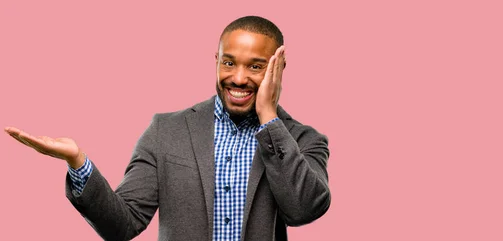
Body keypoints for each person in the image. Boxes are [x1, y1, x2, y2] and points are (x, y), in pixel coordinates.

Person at [5, 15, 331, 241]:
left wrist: (269, 119)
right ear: (215, 60)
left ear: (279, 68)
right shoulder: (167, 130)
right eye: (229, 62)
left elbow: (302, 211)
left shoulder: (303, 140)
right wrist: (77, 162)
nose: (239, 77)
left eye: (256, 66)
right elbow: (123, 224)